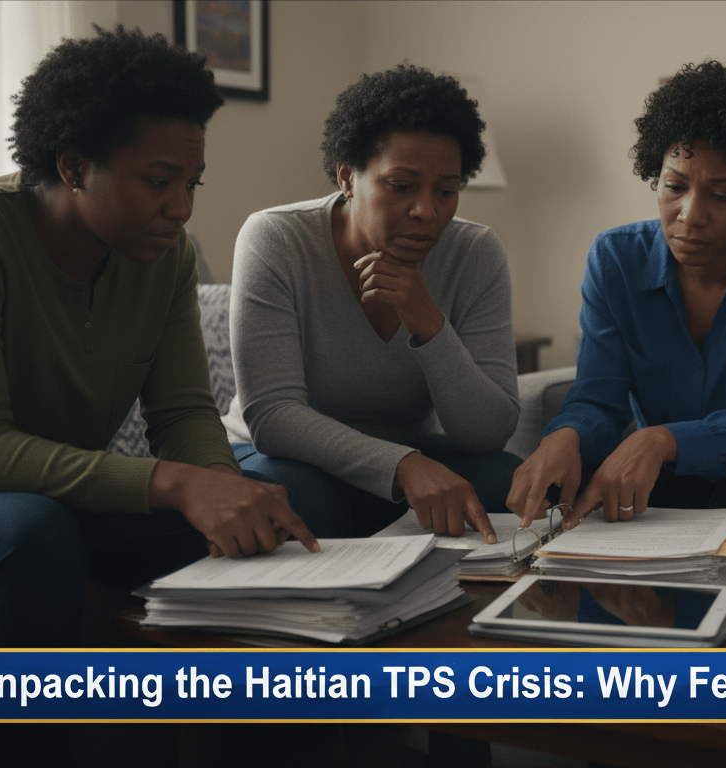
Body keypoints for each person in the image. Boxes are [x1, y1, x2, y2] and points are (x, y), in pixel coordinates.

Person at [0, 27, 319, 649]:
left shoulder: (168, 257)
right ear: (75, 167)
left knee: (293, 497)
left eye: (192, 183)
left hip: (51, 499)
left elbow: (183, 412)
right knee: (27, 532)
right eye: (159, 181)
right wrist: (179, 484)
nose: (182, 208)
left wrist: (226, 489)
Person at [508, 60, 726, 543]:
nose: (690, 215)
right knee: (578, 488)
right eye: (674, 187)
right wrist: (567, 436)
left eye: (722, 195)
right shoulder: (616, 259)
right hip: (666, 473)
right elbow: (598, 397)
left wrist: (663, 439)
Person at [223, 64, 521, 543]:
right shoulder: (276, 239)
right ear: (347, 176)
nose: (427, 211)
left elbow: (487, 433)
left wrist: (428, 323)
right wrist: (402, 465)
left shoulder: (475, 253)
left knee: (508, 484)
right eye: (401, 186)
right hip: (282, 456)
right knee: (303, 499)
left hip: (409, 452)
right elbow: (273, 416)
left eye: (447, 191)